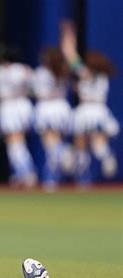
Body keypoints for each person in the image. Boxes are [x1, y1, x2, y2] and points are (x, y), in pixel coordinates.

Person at [60, 21, 119, 186]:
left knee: (81, 144)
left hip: (87, 111)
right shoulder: (104, 77)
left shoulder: (85, 73)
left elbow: (69, 54)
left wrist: (68, 35)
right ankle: (106, 156)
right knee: (98, 142)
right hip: (100, 110)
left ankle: (83, 178)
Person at [0, 45, 36, 187]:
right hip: (23, 104)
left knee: (14, 142)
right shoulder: (25, 70)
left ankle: (25, 172)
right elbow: (33, 91)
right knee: (18, 141)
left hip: (7, 106)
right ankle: (19, 174)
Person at [32, 47, 73, 191]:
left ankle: (63, 152)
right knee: (53, 145)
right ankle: (51, 180)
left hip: (46, 108)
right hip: (61, 107)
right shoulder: (63, 70)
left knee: (50, 146)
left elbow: (35, 91)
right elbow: (75, 65)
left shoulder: (41, 72)